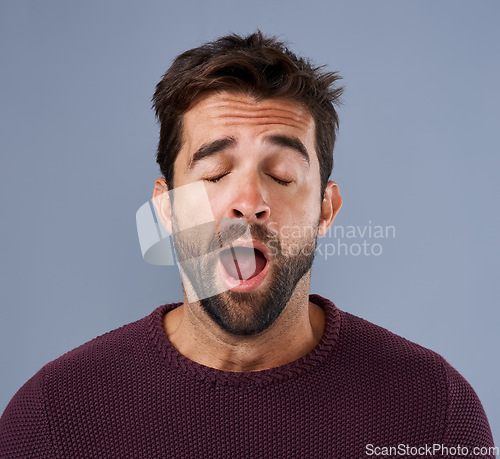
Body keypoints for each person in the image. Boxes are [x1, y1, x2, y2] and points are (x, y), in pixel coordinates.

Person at [0, 31, 494, 458]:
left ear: (326, 210)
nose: (249, 202)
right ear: (166, 209)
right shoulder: (51, 419)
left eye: (281, 176)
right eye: (214, 174)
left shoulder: (435, 412)